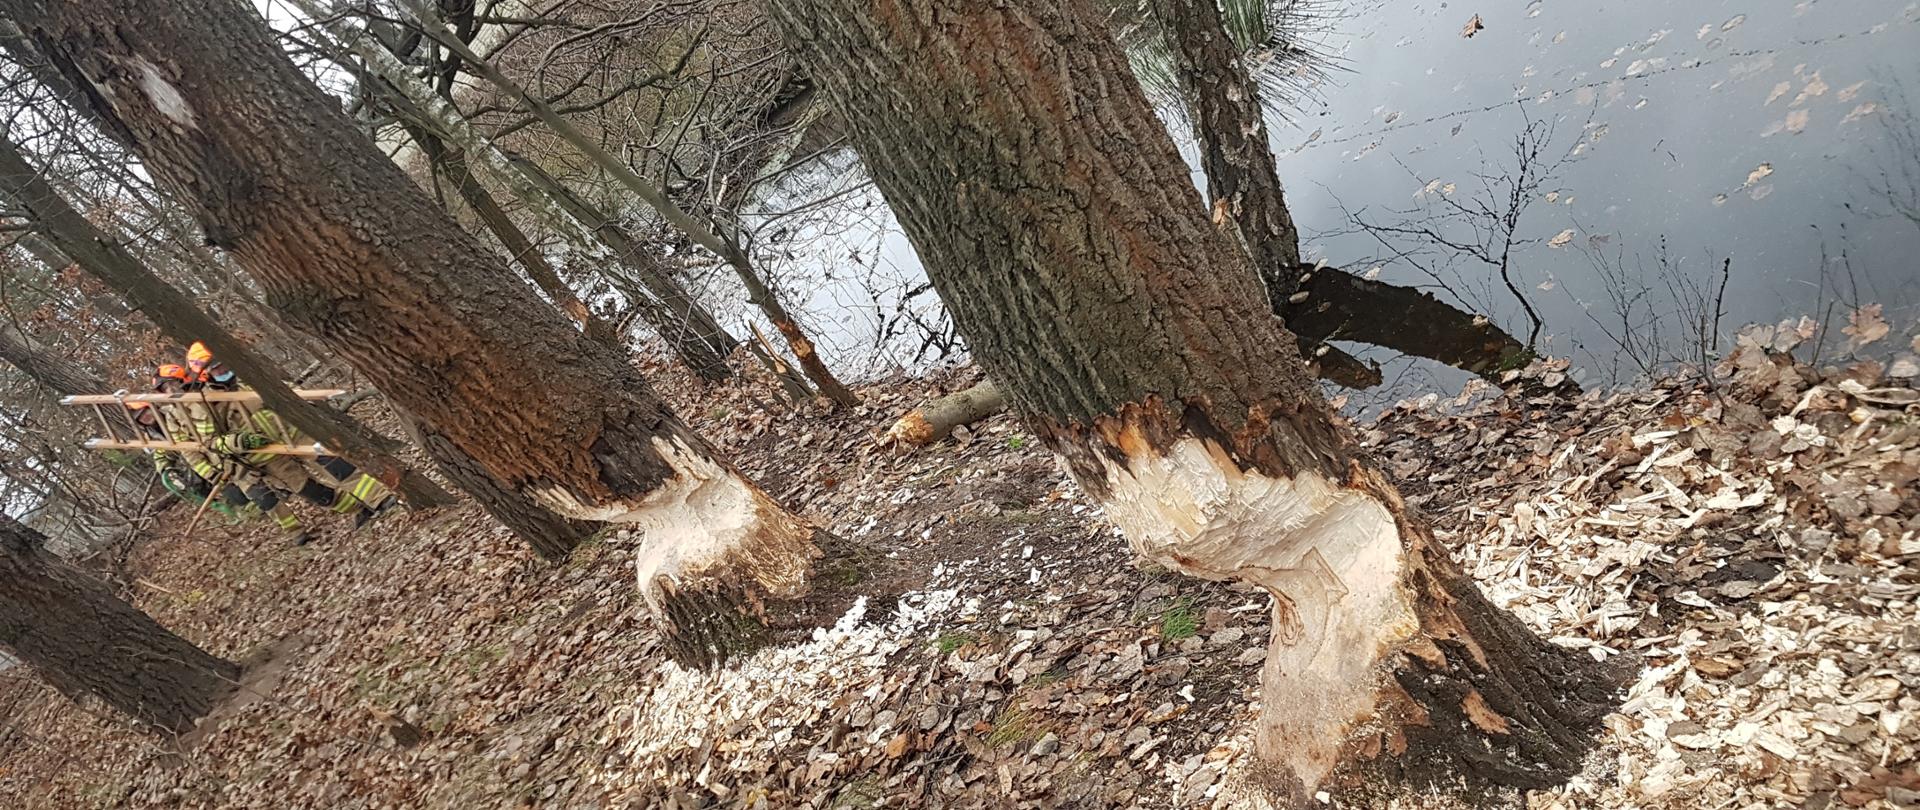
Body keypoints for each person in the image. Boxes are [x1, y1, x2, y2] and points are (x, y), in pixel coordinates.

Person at [188, 342, 394, 531]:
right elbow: (210, 442)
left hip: (295, 434)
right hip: (266, 454)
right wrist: (239, 442)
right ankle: (357, 509)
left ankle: (380, 498)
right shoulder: (206, 404)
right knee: (309, 489)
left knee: (338, 467)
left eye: (223, 364)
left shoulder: (248, 377)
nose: (223, 370)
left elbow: (282, 388)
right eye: (216, 368)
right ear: (205, 375)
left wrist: (300, 397)